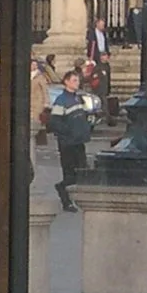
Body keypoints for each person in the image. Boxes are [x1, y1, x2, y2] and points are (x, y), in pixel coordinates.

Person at [47, 67, 97, 212]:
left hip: (79, 141)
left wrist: (87, 127)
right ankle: (65, 197)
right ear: (66, 82)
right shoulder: (61, 100)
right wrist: (68, 133)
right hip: (67, 143)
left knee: (82, 171)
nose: (77, 83)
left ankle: (75, 197)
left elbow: (81, 117)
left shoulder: (77, 98)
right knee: (70, 173)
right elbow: (55, 122)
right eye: (74, 80)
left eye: (78, 80)